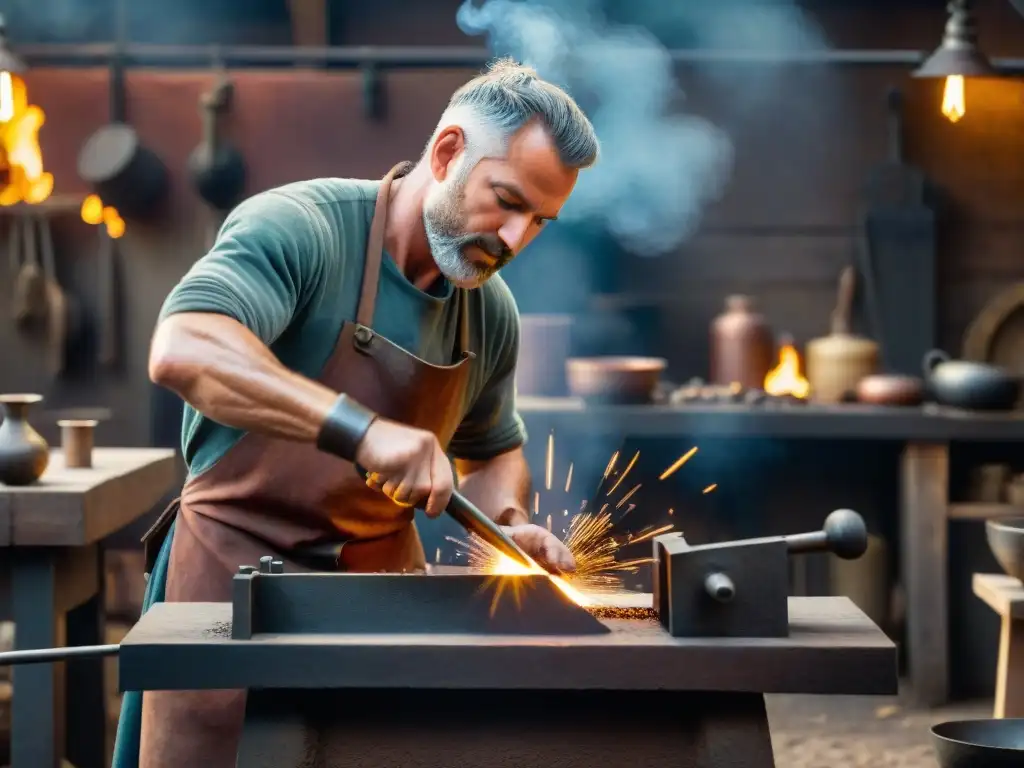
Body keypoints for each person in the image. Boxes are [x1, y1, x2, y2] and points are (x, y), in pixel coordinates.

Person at [111, 58, 600, 768]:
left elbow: (492, 450)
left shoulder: (489, 311)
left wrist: (512, 527)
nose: (516, 238)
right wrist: (363, 434)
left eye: (540, 222)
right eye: (507, 200)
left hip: (380, 598)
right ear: (447, 152)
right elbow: (185, 348)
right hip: (227, 582)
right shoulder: (303, 227)